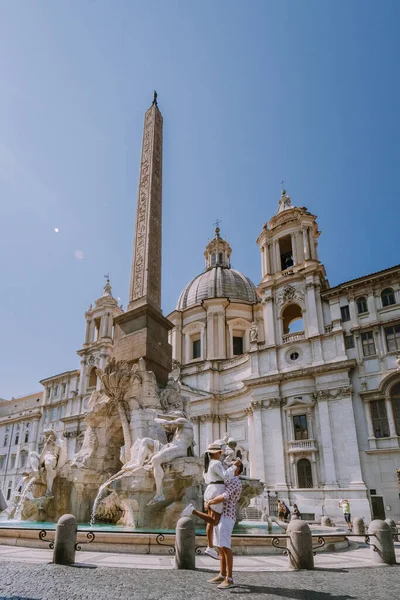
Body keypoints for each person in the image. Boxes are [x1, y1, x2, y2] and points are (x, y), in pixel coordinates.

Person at [182, 444, 235, 559]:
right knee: (215, 521)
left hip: (210, 489)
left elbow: (206, 479)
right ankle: (193, 511)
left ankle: (210, 547)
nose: (221, 455)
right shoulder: (216, 463)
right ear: (216, 453)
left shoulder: (208, 464)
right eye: (220, 453)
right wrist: (233, 467)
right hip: (217, 490)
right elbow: (226, 476)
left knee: (210, 522)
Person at [206, 460, 243, 589]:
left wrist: (210, 502)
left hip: (228, 515)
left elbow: (224, 496)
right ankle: (222, 574)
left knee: (225, 546)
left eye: (232, 466)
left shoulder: (235, 481)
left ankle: (230, 578)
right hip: (222, 515)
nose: (228, 467)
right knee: (220, 547)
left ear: (237, 470)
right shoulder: (228, 480)